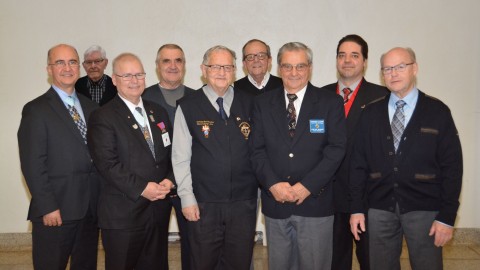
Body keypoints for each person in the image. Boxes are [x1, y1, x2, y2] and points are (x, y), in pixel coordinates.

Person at [349, 47, 463, 270]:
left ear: (415, 68)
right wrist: (356, 209)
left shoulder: (438, 111)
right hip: (379, 207)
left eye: (401, 66)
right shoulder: (370, 113)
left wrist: (447, 216)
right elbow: (358, 164)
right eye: (387, 69)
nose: (394, 73)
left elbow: (452, 167)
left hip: (425, 209)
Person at [250, 42, 347, 270]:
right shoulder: (262, 104)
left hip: (315, 203)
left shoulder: (330, 102)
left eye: (300, 66)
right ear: (278, 68)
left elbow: (336, 149)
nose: (294, 73)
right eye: (287, 66)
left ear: (310, 67)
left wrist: (307, 186)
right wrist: (273, 184)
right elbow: (256, 150)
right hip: (276, 203)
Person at [172, 45, 258, 270]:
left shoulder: (250, 103)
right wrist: (186, 197)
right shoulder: (188, 106)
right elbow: (180, 157)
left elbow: (260, 151)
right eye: (215, 66)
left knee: (239, 263)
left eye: (227, 67)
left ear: (235, 70)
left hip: (243, 203)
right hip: (203, 204)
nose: (222, 72)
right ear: (203, 69)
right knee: (203, 263)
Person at [87, 53, 175, 270]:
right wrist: (142, 188)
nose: (134, 80)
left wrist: (170, 180)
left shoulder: (158, 112)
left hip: (158, 213)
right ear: (114, 79)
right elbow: (107, 164)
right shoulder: (103, 116)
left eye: (138, 74)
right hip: (124, 215)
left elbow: (173, 154)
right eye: (127, 75)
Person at [18, 44, 100, 269]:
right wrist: (47, 206)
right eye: (60, 62)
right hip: (56, 211)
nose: (67, 68)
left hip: (90, 210)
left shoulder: (91, 108)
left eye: (72, 62)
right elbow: (33, 163)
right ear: (49, 69)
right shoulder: (36, 110)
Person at [321, 34, 388, 270]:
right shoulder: (320, 96)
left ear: (365, 61)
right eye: (342, 55)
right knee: (334, 261)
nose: (347, 60)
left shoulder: (382, 97)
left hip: (369, 197)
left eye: (354, 55)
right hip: (329, 196)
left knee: (372, 260)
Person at [142, 43, 194, 270]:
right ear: (157, 66)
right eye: (166, 61)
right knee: (152, 250)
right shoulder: (142, 98)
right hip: (155, 188)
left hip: (190, 186)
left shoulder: (197, 99)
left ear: (184, 65)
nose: (173, 66)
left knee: (194, 247)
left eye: (178, 60)